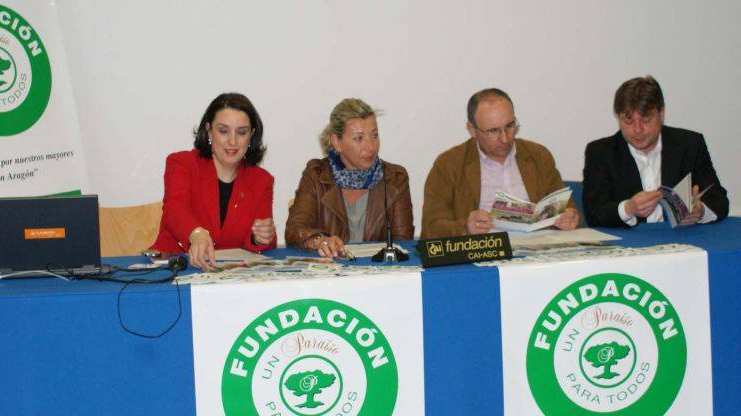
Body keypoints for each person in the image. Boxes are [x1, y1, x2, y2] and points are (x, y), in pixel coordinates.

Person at [421, 88, 579, 238]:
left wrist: (569, 217)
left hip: (537, 250)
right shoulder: (449, 164)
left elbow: (566, 206)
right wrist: (465, 228)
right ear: (472, 130)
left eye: (510, 126)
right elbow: (431, 227)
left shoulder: (538, 156)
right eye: (493, 131)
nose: (505, 138)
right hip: (484, 251)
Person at [150, 93, 276, 270]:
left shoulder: (262, 180)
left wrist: (260, 237)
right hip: (177, 269)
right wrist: (196, 233)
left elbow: (267, 242)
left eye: (241, 132)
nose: (232, 141)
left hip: (230, 278)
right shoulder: (182, 163)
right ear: (209, 130)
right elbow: (174, 210)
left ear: (251, 135)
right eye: (223, 131)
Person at [582, 76, 729, 227]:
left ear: (661, 114)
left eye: (645, 120)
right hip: (629, 245)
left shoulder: (690, 145)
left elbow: (719, 200)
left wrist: (700, 211)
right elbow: (594, 214)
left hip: (681, 241)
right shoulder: (600, 153)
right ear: (619, 118)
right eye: (629, 121)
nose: (638, 130)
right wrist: (629, 208)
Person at [285, 98, 414, 258]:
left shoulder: (395, 179)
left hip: (379, 274)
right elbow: (294, 230)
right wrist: (321, 241)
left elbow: (404, 244)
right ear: (336, 142)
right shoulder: (316, 176)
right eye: (359, 138)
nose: (371, 146)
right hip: (331, 277)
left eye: (374, 135)